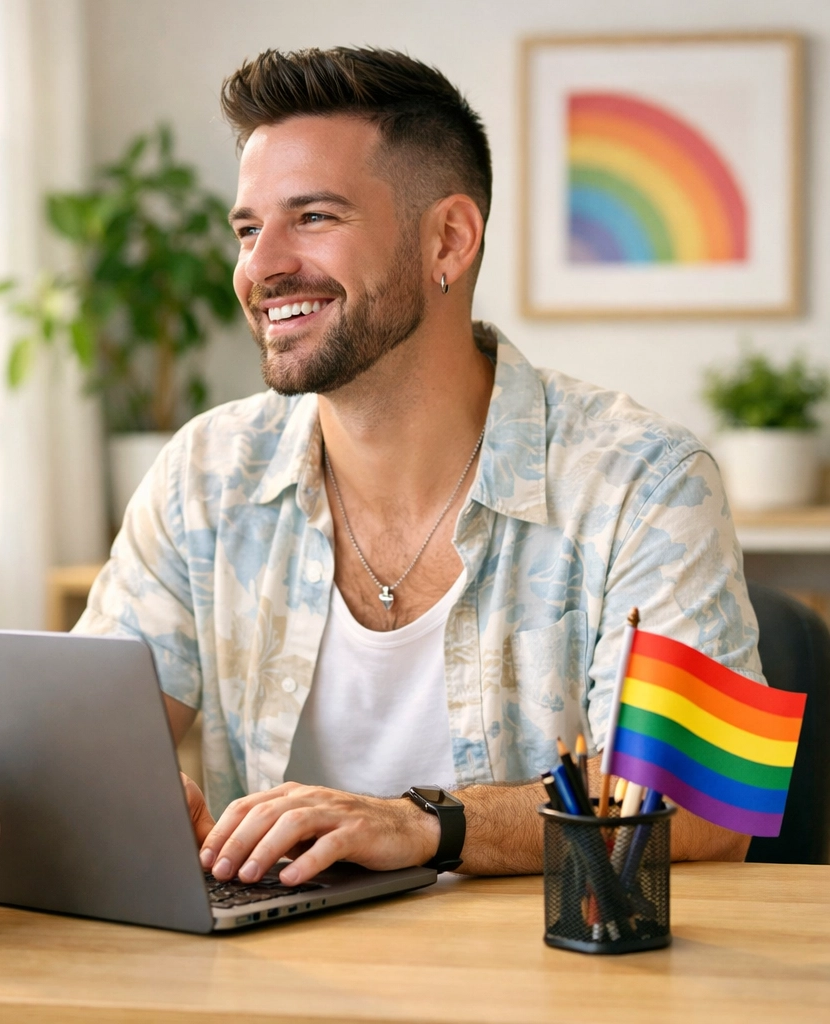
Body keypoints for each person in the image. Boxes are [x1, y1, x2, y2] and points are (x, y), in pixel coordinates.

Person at [75, 47, 761, 885]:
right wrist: (119, 788)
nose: (259, 267)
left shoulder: (646, 481)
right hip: (273, 989)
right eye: (250, 229)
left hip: (549, 988)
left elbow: (707, 811)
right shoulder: (205, 473)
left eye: (314, 218)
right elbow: (89, 741)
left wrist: (423, 824)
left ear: (449, 238)